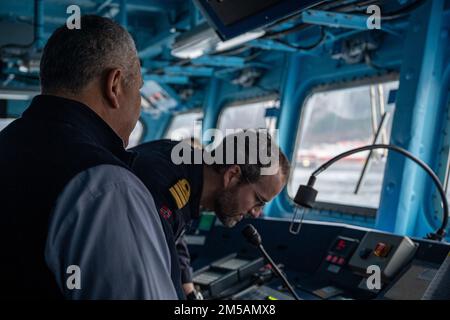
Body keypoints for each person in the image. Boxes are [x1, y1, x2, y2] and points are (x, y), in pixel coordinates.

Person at [0, 15, 179, 299]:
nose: (139, 108)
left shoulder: (9, 144)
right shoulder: (107, 187)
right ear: (115, 85)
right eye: (139, 90)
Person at [131, 130, 290, 299]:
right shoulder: (164, 185)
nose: (256, 213)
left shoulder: (186, 170)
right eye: (258, 201)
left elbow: (173, 243)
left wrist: (188, 290)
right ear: (232, 175)